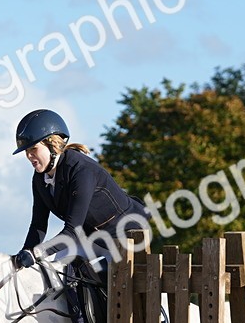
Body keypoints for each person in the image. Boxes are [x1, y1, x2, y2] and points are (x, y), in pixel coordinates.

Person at [9, 109, 149, 271]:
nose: (29, 156)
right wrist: (24, 254)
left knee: (82, 272)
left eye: (33, 149)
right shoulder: (40, 178)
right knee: (51, 271)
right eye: (26, 151)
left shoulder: (81, 171)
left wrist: (36, 253)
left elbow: (72, 231)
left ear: (52, 144)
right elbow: (38, 224)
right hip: (91, 237)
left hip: (125, 238)